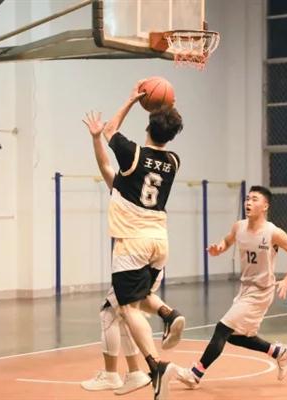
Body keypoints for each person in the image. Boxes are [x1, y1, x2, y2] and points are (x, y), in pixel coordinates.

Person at [82, 80, 184, 400]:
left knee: (125, 308)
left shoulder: (133, 155)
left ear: (148, 124)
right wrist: (96, 140)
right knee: (128, 304)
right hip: (160, 242)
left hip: (132, 244)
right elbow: (105, 166)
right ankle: (167, 316)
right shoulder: (173, 162)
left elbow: (112, 129)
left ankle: (154, 367)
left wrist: (130, 100)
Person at [172, 186, 287, 390]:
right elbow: (227, 241)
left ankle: (195, 374)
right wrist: (219, 249)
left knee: (222, 328)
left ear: (265, 206)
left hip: (261, 292)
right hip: (245, 289)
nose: (248, 202)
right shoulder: (239, 227)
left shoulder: (273, 232)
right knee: (237, 337)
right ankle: (280, 353)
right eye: (247, 198)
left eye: (254, 199)